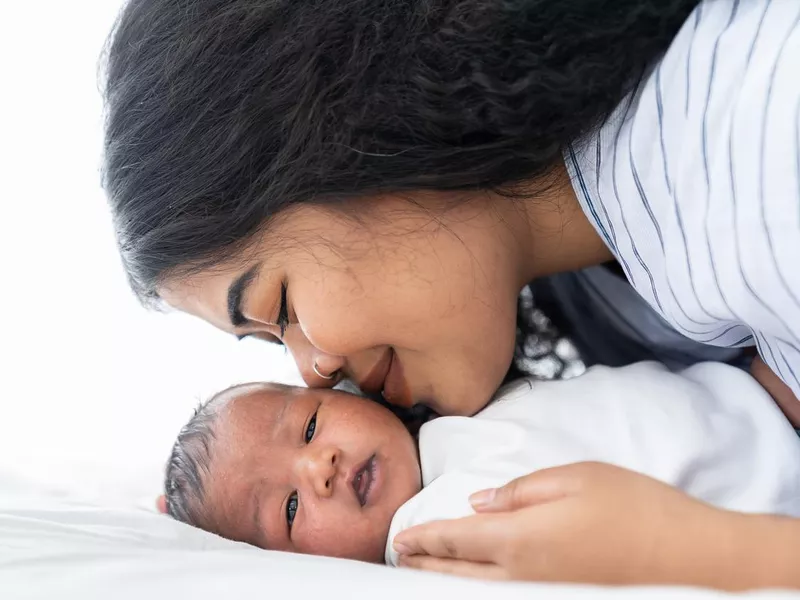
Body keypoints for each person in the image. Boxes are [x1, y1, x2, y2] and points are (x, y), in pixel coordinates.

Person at [103, 0, 800, 588]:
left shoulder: (759, 153)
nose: (312, 371)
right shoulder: (619, 283)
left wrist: (708, 552)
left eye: (280, 308)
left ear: (349, 140)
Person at [161, 362, 800, 569]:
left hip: (763, 391)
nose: (318, 468)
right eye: (291, 510)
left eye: (308, 426)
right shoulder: (430, 543)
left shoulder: (455, 406)